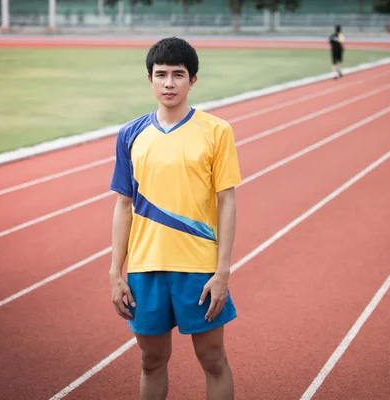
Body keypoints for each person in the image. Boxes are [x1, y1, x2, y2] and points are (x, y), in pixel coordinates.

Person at [109, 37, 241, 400]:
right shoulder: (130, 135)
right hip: (144, 268)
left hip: (198, 267)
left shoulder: (216, 131)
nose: (169, 82)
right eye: (161, 74)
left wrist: (223, 270)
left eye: (178, 75)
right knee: (151, 361)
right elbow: (123, 205)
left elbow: (227, 202)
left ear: (192, 81)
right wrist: (114, 272)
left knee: (213, 359)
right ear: (149, 79)